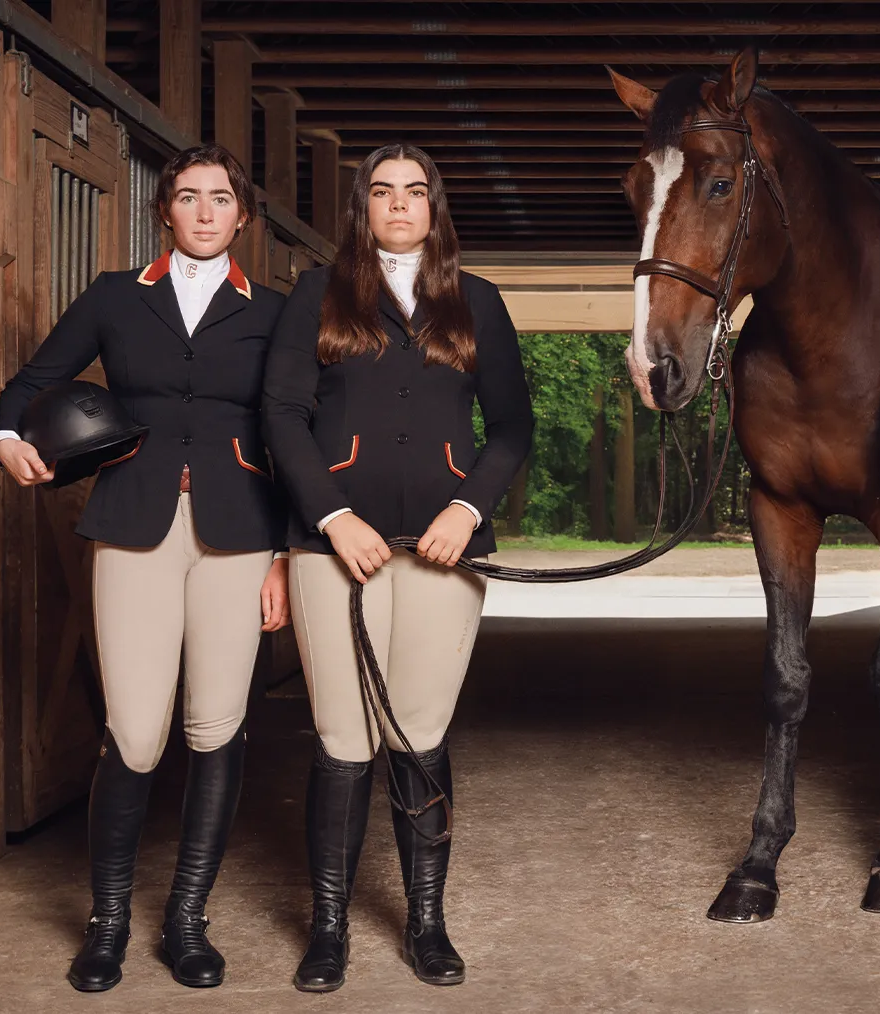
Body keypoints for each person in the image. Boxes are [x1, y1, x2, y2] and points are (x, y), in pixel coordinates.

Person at [0, 143, 289, 991]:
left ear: (243, 217)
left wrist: (285, 558)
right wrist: (7, 441)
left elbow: (293, 434)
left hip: (240, 536)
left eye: (220, 199)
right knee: (134, 731)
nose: (204, 212)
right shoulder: (117, 298)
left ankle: (188, 922)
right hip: (131, 528)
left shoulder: (275, 310)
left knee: (217, 726)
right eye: (188, 197)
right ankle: (108, 922)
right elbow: (28, 385)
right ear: (164, 211)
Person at [262, 143, 533, 991]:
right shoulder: (317, 294)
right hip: (334, 549)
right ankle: (330, 929)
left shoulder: (478, 302)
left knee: (418, 737)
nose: (400, 205)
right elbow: (280, 414)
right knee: (344, 740)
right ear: (363, 207)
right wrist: (332, 517)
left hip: (445, 554)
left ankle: (427, 923)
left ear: (436, 207)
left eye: (416, 192)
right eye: (383, 192)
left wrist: (468, 507)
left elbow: (514, 427)